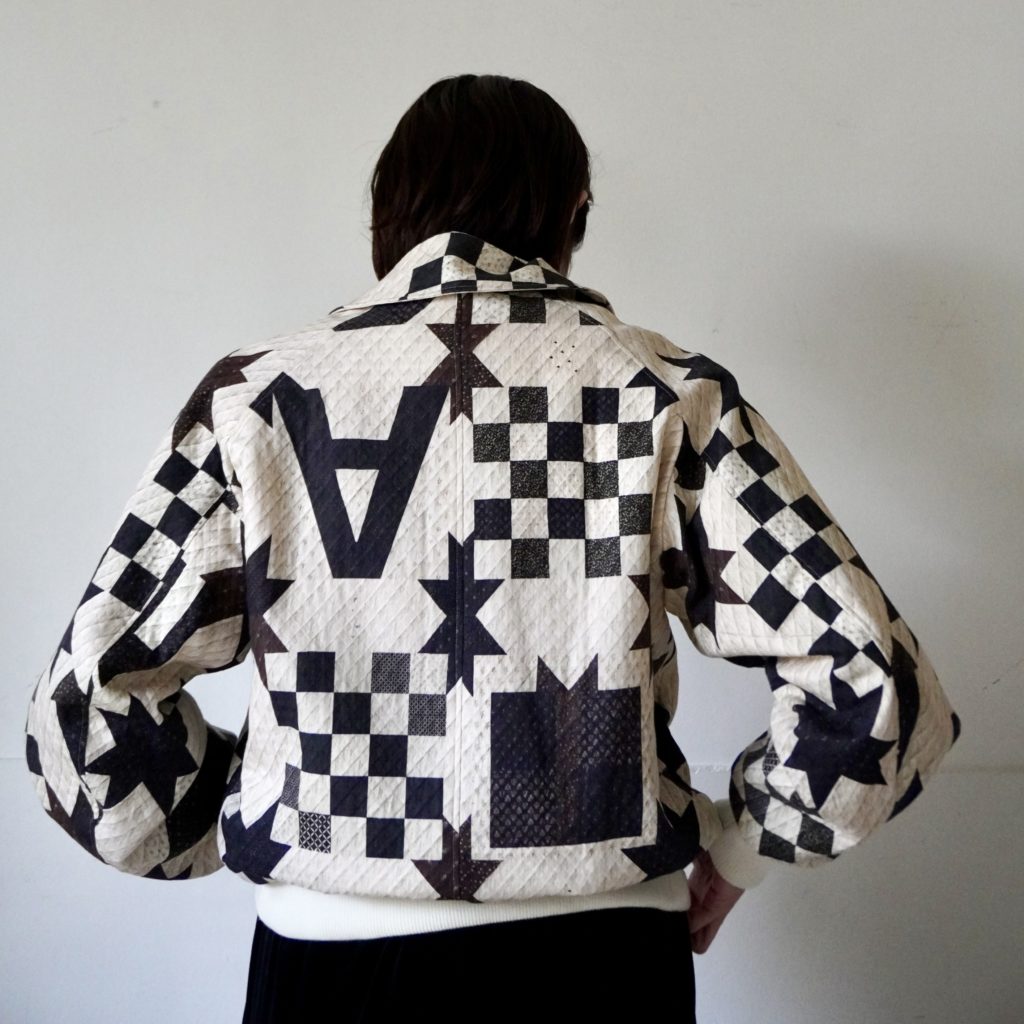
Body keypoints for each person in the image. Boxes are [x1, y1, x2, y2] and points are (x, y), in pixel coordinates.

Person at [24, 73, 961, 1022]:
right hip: (603, 962)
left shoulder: (254, 398)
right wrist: (739, 850)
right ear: (572, 207)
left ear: (387, 216)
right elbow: (877, 684)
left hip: (326, 967)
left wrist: (261, 804)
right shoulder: (667, 391)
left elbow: (85, 716)